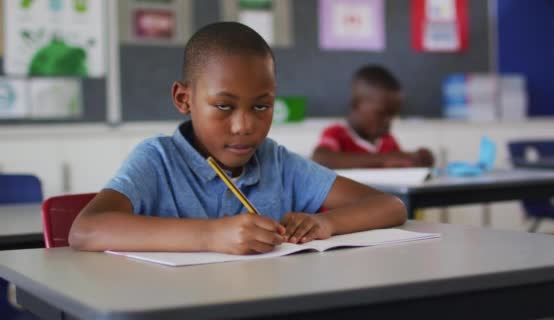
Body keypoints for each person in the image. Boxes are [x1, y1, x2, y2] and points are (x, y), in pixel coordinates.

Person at [69, 22, 406, 255]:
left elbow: (390, 206)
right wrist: (213, 235)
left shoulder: (277, 162)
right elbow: (86, 230)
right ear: (183, 99)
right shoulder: (158, 159)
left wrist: (325, 222)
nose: (244, 125)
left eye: (262, 105)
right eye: (223, 106)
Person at [311, 65, 434, 169]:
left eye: (393, 115)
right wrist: (384, 159)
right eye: (381, 114)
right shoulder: (336, 133)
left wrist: (415, 159)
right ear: (355, 104)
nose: (388, 121)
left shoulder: (388, 141)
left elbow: (397, 164)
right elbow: (320, 159)